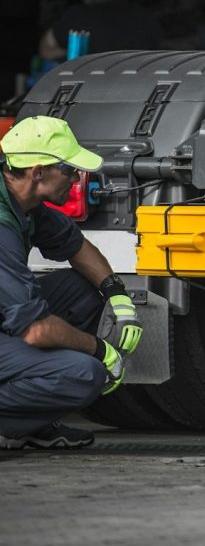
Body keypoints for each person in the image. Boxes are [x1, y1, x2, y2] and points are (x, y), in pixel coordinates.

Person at [0, 116, 143, 449]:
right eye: (69, 170)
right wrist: (100, 349)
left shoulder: (22, 202)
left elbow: (75, 245)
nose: (77, 178)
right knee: (84, 374)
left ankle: (26, 425)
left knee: (79, 290)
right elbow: (35, 330)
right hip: (20, 326)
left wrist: (116, 295)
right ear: (38, 172)